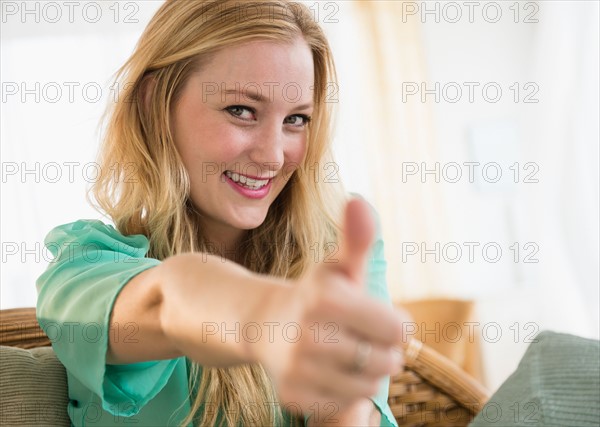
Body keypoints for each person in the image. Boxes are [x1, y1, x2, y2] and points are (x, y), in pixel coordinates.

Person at [36, 1, 406, 425]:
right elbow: (167, 300)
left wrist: (343, 393)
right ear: (155, 101)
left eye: (296, 119)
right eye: (241, 110)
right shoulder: (82, 267)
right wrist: (268, 317)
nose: (272, 156)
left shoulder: (338, 241)